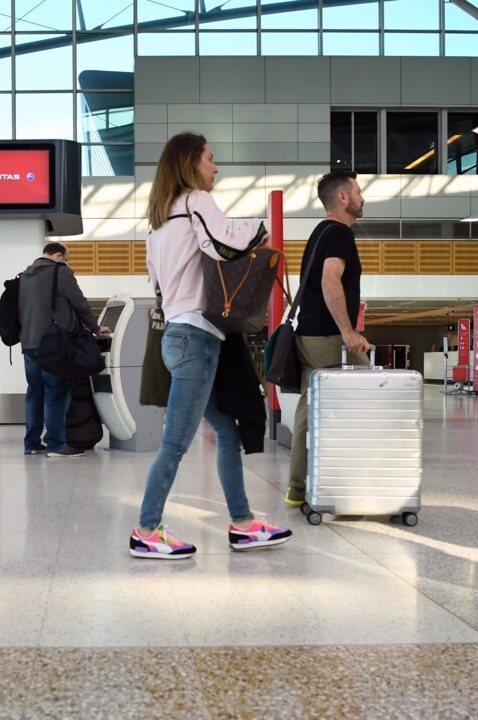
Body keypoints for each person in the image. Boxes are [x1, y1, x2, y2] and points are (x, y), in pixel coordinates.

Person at [131, 131, 292, 560]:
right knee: (176, 443)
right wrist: (262, 228)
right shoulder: (195, 202)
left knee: (225, 431)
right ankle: (146, 529)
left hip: (178, 337)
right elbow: (225, 244)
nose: (215, 168)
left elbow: (161, 286)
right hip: (196, 340)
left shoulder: (158, 223)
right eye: (210, 159)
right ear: (189, 164)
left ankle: (242, 524)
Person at [286, 170, 371, 507]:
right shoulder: (339, 234)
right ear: (343, 198)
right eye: (358, 192)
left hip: (307, 335)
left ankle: (297, 486)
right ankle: (353, 484)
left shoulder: (319, 233)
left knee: (311, 406)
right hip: (327, 337)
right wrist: (348, 332)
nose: (363, 198)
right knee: (371, 398)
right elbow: (329, 280)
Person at [18, 241, 105, 459]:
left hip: (29, 344)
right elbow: (80, 303)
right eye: (66, 259)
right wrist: (95, 327)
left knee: (34, 393)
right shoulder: (60, 272)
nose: (66, 262)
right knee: (56, 393)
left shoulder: (25, 276)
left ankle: (32, 444)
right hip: (53, 345)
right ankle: (56, 445)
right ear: (58, 256)